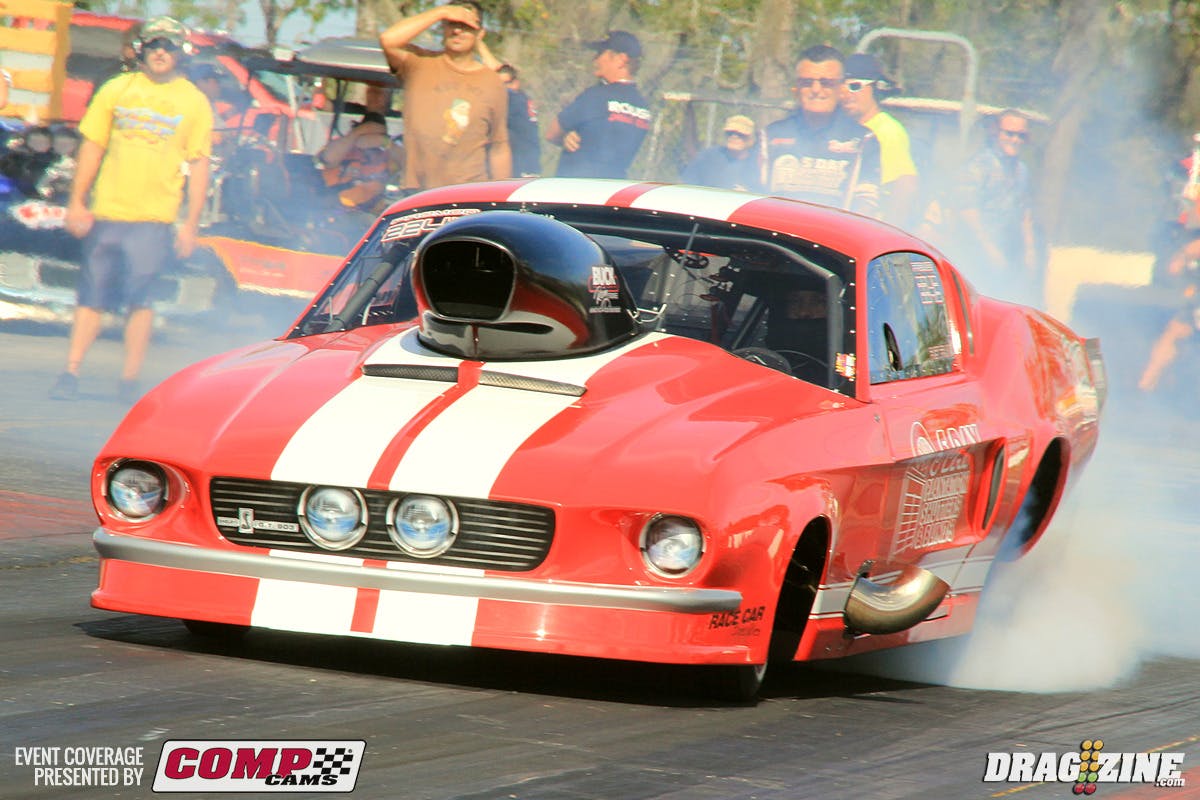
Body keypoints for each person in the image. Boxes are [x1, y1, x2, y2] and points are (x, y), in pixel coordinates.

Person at [50, 16, 213, 403]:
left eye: (168, 46)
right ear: (141, 49)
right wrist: (77, 201)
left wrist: (190, 223)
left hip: (154, 219)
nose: (161, 52)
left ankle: (129, 379)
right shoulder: (116, 89)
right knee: (90, 296)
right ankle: (70, 371)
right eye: (154, 44)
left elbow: (199, 164)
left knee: (140, 300)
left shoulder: (193, 101)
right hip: (108, 212)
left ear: (180, 53)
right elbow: (92, 146)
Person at [378, 1, 510, 192]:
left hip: (468, 192)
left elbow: (499, 147)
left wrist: (502, 197)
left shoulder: (492, 82)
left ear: (480, 33)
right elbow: (388, 40)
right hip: (417, 190)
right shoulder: (419, 63)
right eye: (451, 24)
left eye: (465, 26)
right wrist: (441, 12)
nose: (457, 31)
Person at [763, 45, 881, 215]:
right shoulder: (770, 136)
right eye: (807, 82)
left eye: (826, 83)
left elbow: (867, 203)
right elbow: (750, 195)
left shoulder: (864, 140)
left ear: (841, 88)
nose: (816, 90)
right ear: (796, 88)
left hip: (835, 230)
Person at [952, 108, 1039, 303]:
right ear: (996, 133)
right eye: (1009, 133)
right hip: (973, 252)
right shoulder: (979, 166)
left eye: (1021, 135)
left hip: (1006, 253)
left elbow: (1024, 212)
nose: (1015, 140)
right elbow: (966, 209)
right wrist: (989, 248)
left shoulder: (1021, 171)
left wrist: (1030, 251)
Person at [547, 30, 652, 179]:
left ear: (621, 60)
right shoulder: (642, 107)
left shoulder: (596, 96)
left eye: (600, 53)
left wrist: (564, 137)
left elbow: (552, 133)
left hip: (576, 185)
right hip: (613, 187)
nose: (595, 60)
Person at [839, 53, 919, 228]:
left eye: (855, 86)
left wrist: (889, 233)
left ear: (874, 88)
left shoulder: (887, 130)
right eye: (841, 87)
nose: (846, 94)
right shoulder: (843, 129)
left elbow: (904, 185)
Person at [317, 110, 405, 211]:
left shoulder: (388, 154)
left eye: (376, 134)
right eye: (368, 132)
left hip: (365, 211)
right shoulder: (343, 147)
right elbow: (328, 159)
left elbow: (407, 164)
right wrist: (355, 135)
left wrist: (384, 142)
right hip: (329, 205)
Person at [680, 114, 763, 192]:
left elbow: (762, 194)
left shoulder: (757, 163)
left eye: (740, 134)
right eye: (730, 133)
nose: (734, 136)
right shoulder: (708, 157)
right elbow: (687, 185)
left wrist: (746, 194)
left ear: (750, 139)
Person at [497, 64, 541, 177]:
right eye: (497, 85)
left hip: (521, 165)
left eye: (505, 83)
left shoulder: (514, 100)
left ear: (515, 83)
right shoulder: (523, 99)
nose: (501, 88)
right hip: (530, 164)